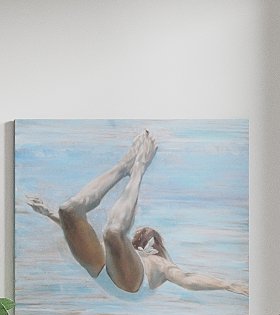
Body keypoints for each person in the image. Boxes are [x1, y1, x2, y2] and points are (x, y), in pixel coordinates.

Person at [24, 128, 245, 299]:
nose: (142, 241)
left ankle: (138, 168)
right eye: (140, 238)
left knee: (112, 231)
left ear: (156, 245)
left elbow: (188, 279)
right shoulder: (129, 251)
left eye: (148, 239)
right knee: (68, 210)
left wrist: (227, 285)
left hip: (132, 285)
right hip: (104, 270)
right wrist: (50, 213)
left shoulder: (162, 266)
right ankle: (124, 167)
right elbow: (83, 235)